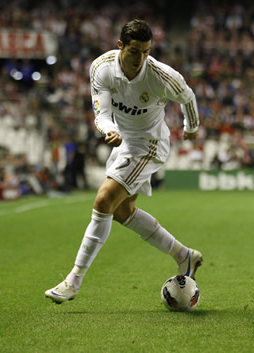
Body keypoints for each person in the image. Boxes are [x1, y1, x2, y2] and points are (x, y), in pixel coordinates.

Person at [45, 19, 203, 303]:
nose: (141, 58)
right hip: (123, 141)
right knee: (121, 211)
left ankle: (74, 280)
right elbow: (101, 113)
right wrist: (109, 130)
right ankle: (184, 255)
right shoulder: (101, 68)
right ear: (120, 46)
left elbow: (188, 97)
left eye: (146, 51)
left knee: (103, 200)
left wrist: (191, 127)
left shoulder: (162, 76)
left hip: (150, 145)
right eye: (134, 51)